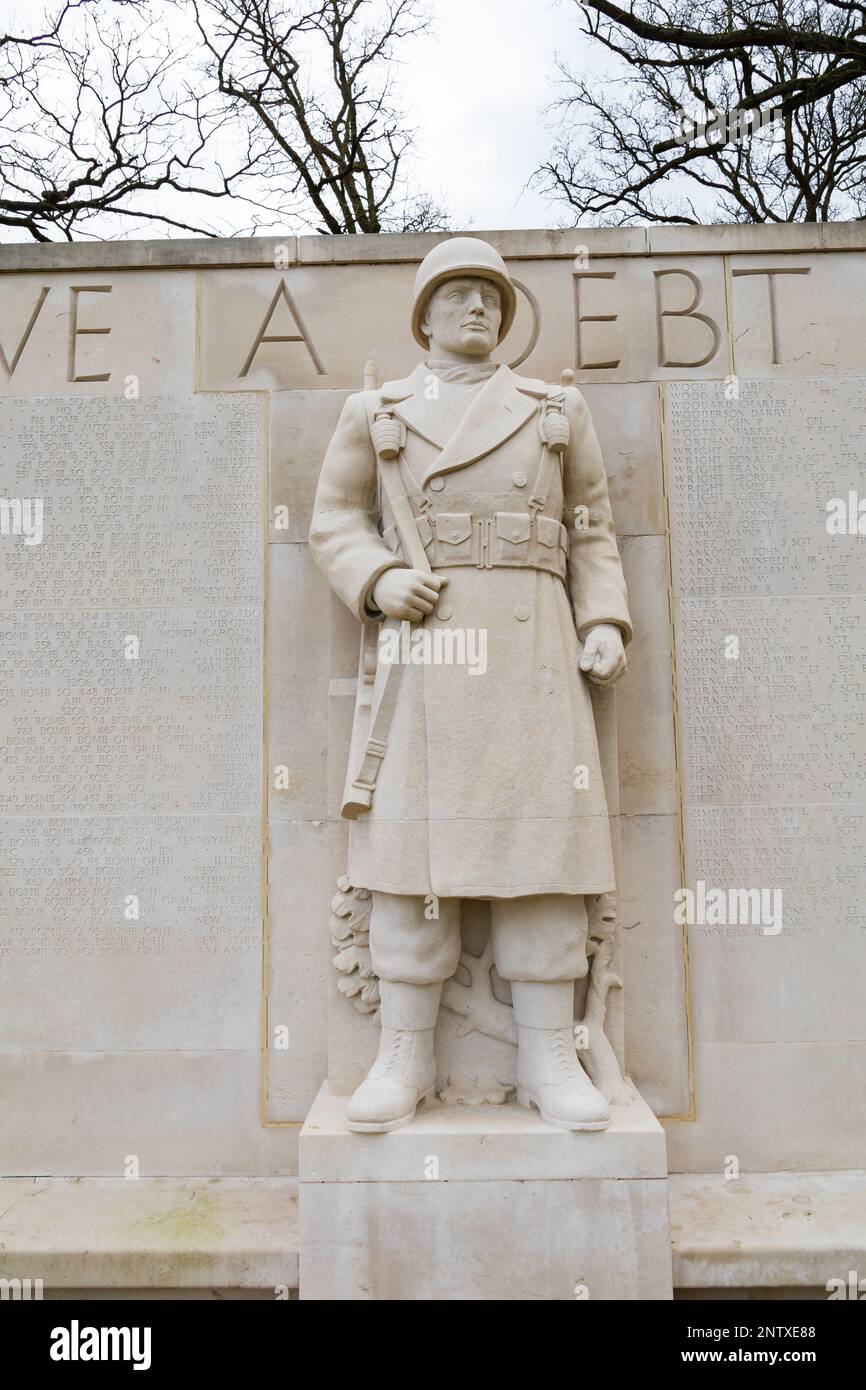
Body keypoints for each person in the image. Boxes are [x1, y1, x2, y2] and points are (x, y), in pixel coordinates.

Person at [310, 237, 632, 1132]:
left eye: (489, 297)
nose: (476, 310)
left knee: (543, 858)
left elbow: (591, 525)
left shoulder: (554, 408)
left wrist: (603, 618)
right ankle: (404, 1056)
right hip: (428, 651)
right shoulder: (375, 410)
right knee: (413, 854)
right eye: (456, 296)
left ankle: (548, 1058)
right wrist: (376, 579)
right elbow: (333, 519)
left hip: (533, 655)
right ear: (425, 315)